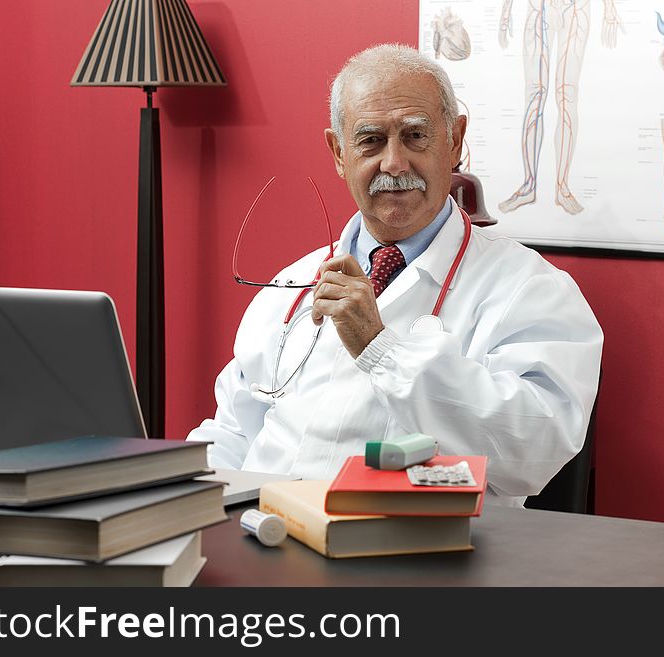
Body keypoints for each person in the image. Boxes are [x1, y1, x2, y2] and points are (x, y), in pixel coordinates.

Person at [187, 44, 603, 507]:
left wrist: (381, 349)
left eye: (415, 136)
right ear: (338, 152)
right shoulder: (288, 286)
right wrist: (177, 495)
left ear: (455, 140)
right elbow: (235, 430)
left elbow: (536, 448)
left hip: (415, 553)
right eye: (370, 140)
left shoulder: (531, 289)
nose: (394, 164)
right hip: (265, 537)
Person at [498, 0, 622, 215]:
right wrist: (506, 10)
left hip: (576, 8)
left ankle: (562, 186)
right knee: (535, 94)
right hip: (539, 8)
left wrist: (609, 7)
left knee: (567, 93)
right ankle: (529, 184)